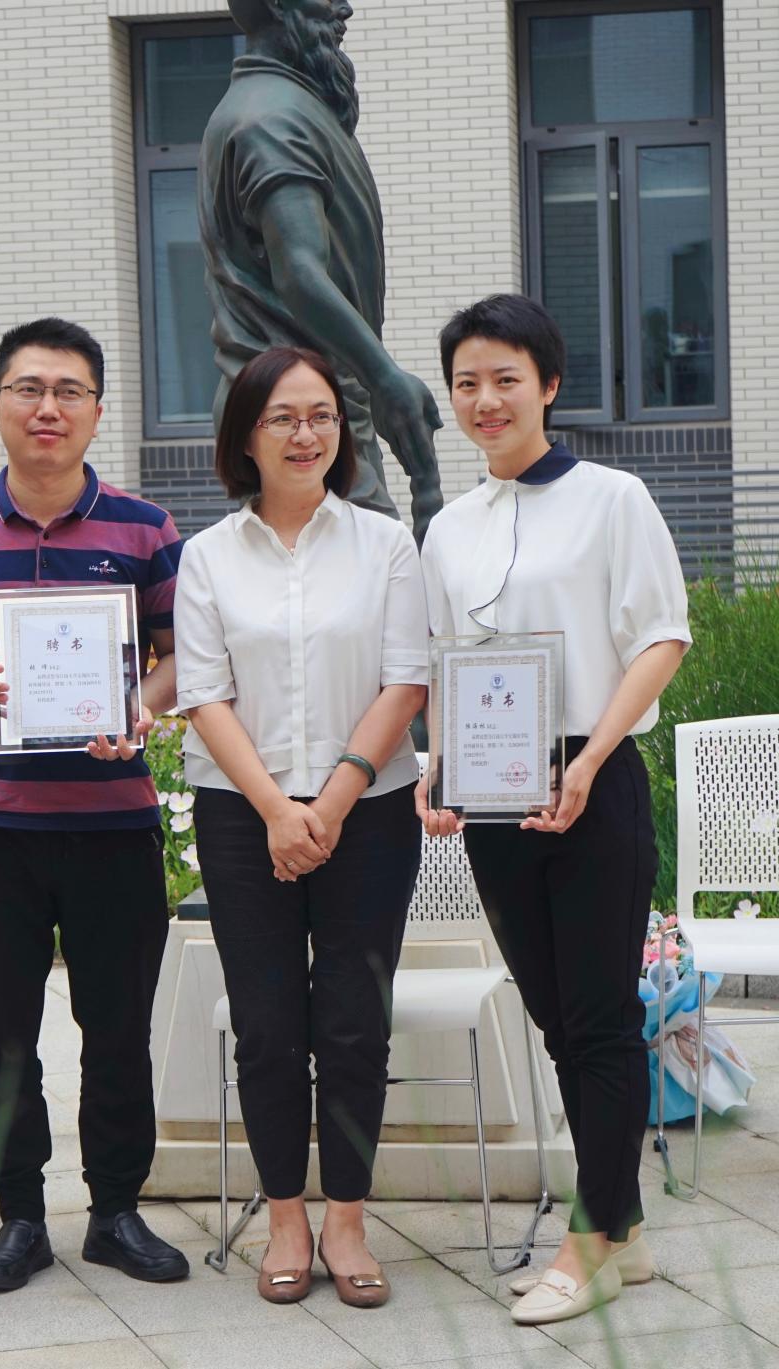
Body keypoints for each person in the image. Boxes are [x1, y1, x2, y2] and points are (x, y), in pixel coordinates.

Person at [0, 318, 189, 1293]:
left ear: (96, 409)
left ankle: (116, 1211)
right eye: (28, 388)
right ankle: (20, 1215)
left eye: (67, 391)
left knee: (118, 1029)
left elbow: (180, 658)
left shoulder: (144, 528)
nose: (47, 407)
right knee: (0, 1031)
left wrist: (138, 707)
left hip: (113, 826)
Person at [418, 295, 691, 1326]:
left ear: (549, 384)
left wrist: (592, 758)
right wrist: (438, 766)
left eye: (505, 379)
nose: (485, 400)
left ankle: (588, 1244)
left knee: (600, 1017)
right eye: (467, 383)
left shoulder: (612, 498)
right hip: (493, 790)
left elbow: (661, 636)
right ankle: (625, 1230)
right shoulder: (448, 527)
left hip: (591, 777)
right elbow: (449, 660)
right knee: (556, 1019)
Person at [174, 345, 428, 1306]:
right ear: (246, 434)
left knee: (356, 1025)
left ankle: (347, 1222)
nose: (305, 432)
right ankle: (286, 1218)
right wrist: (279, 809)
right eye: (282, 416)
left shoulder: (384, 544)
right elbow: (203, 694)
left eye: (321, 414)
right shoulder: (207, 556)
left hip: (369, 813)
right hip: (245, 818)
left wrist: (329, 801)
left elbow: (406, 678)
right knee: (270, 1028)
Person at [198, 0, 443, 543]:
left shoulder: (293, 106)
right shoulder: (272, 119)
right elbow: (299, 272)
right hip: (294, 414)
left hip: (318, 399)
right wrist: (384, 376)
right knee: (360, 569)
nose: (343, 9)